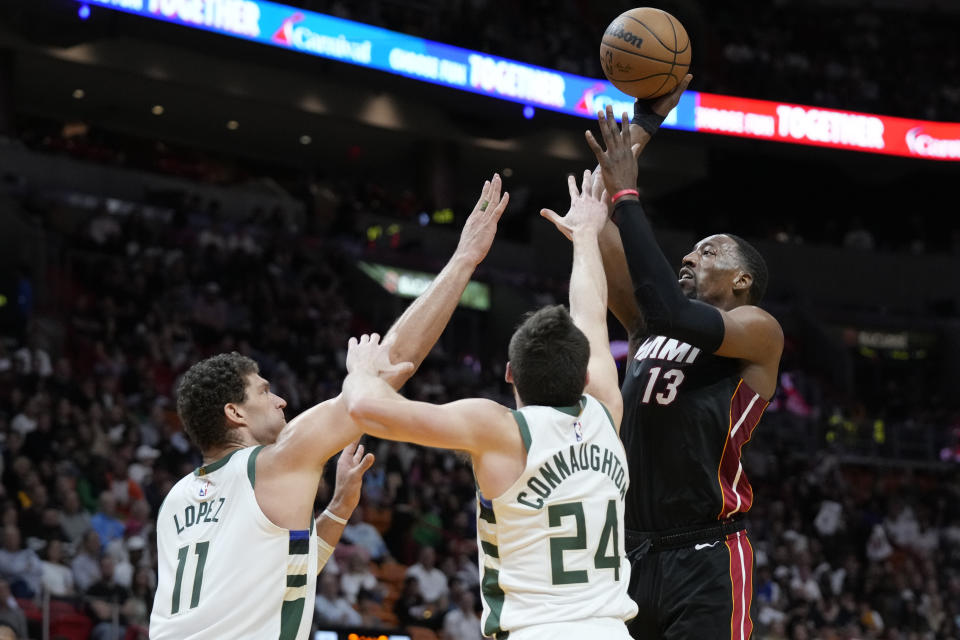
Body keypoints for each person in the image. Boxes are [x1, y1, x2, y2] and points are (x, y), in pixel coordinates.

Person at [149, 174, 510, 640]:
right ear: (234, 413)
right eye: (263, 392)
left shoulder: (177, 500)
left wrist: (338, 509)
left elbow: (279, 575)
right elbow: (389, 368)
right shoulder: (274, 465)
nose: (279, 399)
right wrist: (463, 259)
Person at [343, 166, 637, 639]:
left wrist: (361, 372)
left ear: (509, 374)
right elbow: (590, 314)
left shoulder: (498, 428)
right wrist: (585, 234)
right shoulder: (606, 409)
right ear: (585, 374)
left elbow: (365, 410)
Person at [579, 82, 784, 640]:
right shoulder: (648, 322)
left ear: (742, 281)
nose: (691, 254)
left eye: (710, 250)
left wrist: (630, 199)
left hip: (708, 556)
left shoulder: (758, 330)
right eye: (691, 249)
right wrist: (647, 119)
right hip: (633, 553)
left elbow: (669, 309)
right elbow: (591, 211)